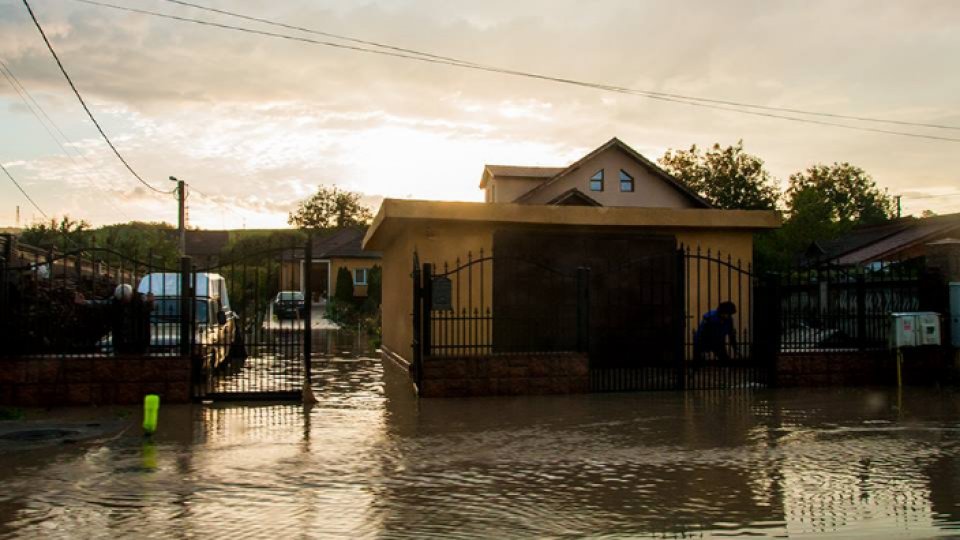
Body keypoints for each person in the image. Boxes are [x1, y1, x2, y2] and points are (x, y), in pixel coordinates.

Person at [77, 284, 154, 355]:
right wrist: (85, 302)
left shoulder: (141, 299)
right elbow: (101, 304)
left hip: (139, 340)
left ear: (131, 295)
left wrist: (150, 303)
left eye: (125, 299)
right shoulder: (115, 301)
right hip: (120, 340)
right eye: (121, 300)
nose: (123, 302)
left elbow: (150, 309)